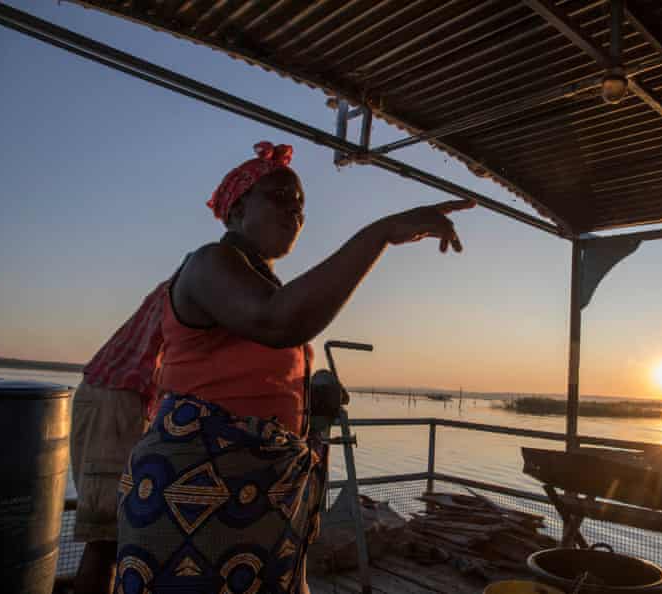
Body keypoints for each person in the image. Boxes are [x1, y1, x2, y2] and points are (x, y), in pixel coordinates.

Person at [114, 141, 474, 593]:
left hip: (259, 495)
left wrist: (309, 400)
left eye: (302, 205)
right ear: (239, 208)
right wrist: (379, 233)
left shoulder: (262, 282)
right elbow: (277, 320)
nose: (296, 213)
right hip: (196, 496)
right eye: (281, 198)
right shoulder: (209, 263)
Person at [69, 280, 169, 594]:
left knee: (122, 535)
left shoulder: (208, 277)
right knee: (107, 537)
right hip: (118, 399)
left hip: (120, 399)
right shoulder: (213, 277)